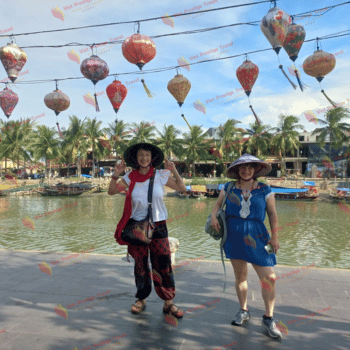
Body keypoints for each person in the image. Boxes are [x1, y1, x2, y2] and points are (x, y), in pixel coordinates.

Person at [108, 142, 187, 319]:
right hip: (137, 227)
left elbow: (181, 188)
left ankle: (168, 302)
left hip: (158, 226)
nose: (144, 158)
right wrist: (115, 175)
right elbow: (111, 192)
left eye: (147, 155)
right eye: (141, 155)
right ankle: (141, 299)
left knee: (163, 264)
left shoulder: (160, 175)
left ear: (152, 159)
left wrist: (173, 170)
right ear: (136, 158)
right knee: (141, 265)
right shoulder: (129, 177)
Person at [210, 153, 282, 339]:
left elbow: (273, 214)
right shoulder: (229, 187)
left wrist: (275, 237)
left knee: (269, 277)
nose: (246, 170)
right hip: (233, 236)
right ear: (237, 170)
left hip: (258, 237)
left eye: (250, 167)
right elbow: (218, 204)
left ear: (256, 170)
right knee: (240, 276)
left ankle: (268, 317)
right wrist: (213, 216)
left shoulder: (265, 189)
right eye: (242, 167)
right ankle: (243, 310)